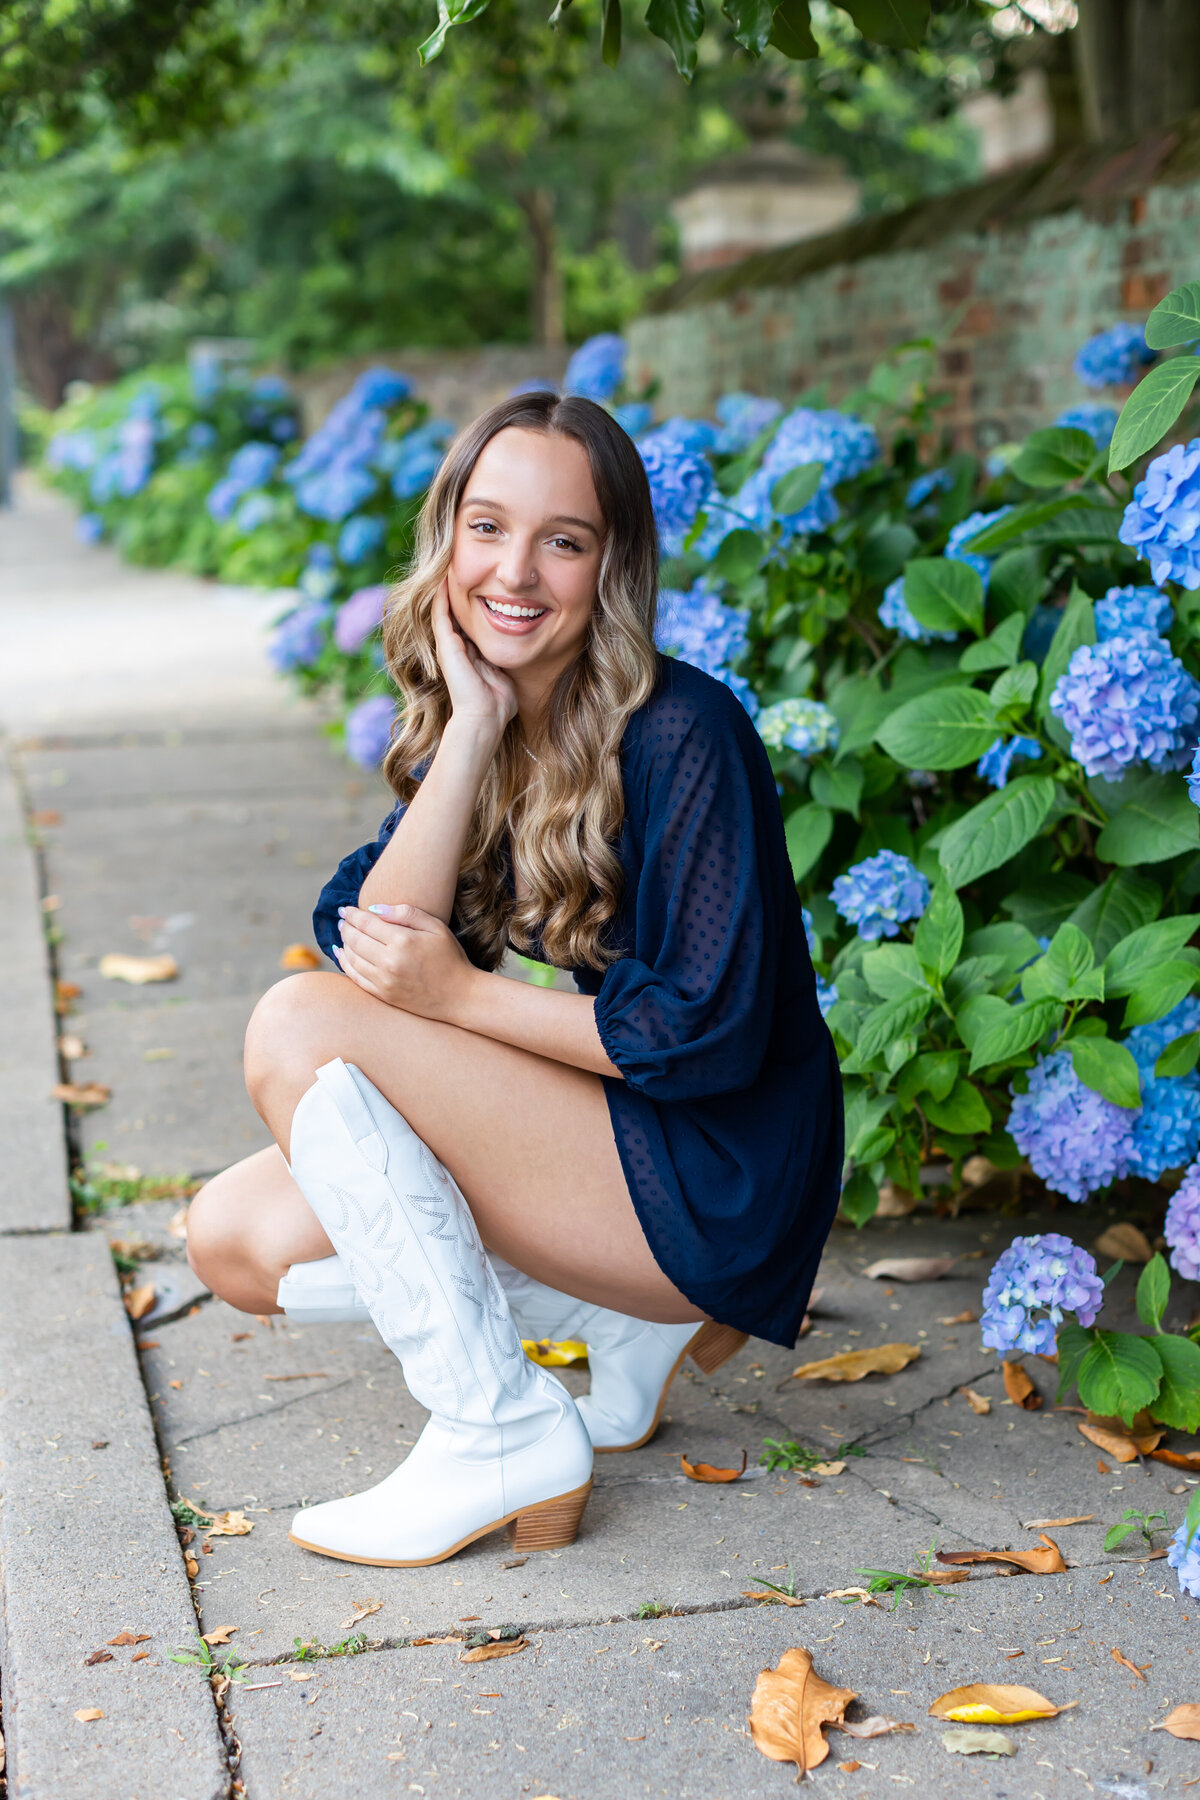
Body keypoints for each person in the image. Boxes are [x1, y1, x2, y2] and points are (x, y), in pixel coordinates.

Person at [186, 390, 842, 1570]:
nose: (517, 571)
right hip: (614, 1151)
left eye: (564, 539)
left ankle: (497, 1427)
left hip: (720, 1173)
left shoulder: (684, 729)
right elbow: (363, 931)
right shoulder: (489, 724)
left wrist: (464, 1000)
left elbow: (707, 1034)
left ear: (613, 565)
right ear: (447, 541)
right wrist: (475, 730)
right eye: (486, 528)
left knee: (297, 1026)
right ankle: (616, 1327)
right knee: (236, 1239)